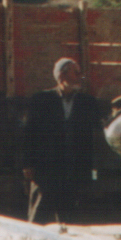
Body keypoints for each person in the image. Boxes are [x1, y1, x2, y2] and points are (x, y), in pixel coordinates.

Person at [22, 57, 107, 224]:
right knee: (38, 218)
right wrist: (27, 163)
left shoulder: (87, 102)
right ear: (61, 76)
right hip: (46, 170)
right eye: (76, 73)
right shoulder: (40, 100)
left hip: (73, 172)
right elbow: (29, 133)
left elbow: (98, 133)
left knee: (70, 222)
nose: (80, 77)